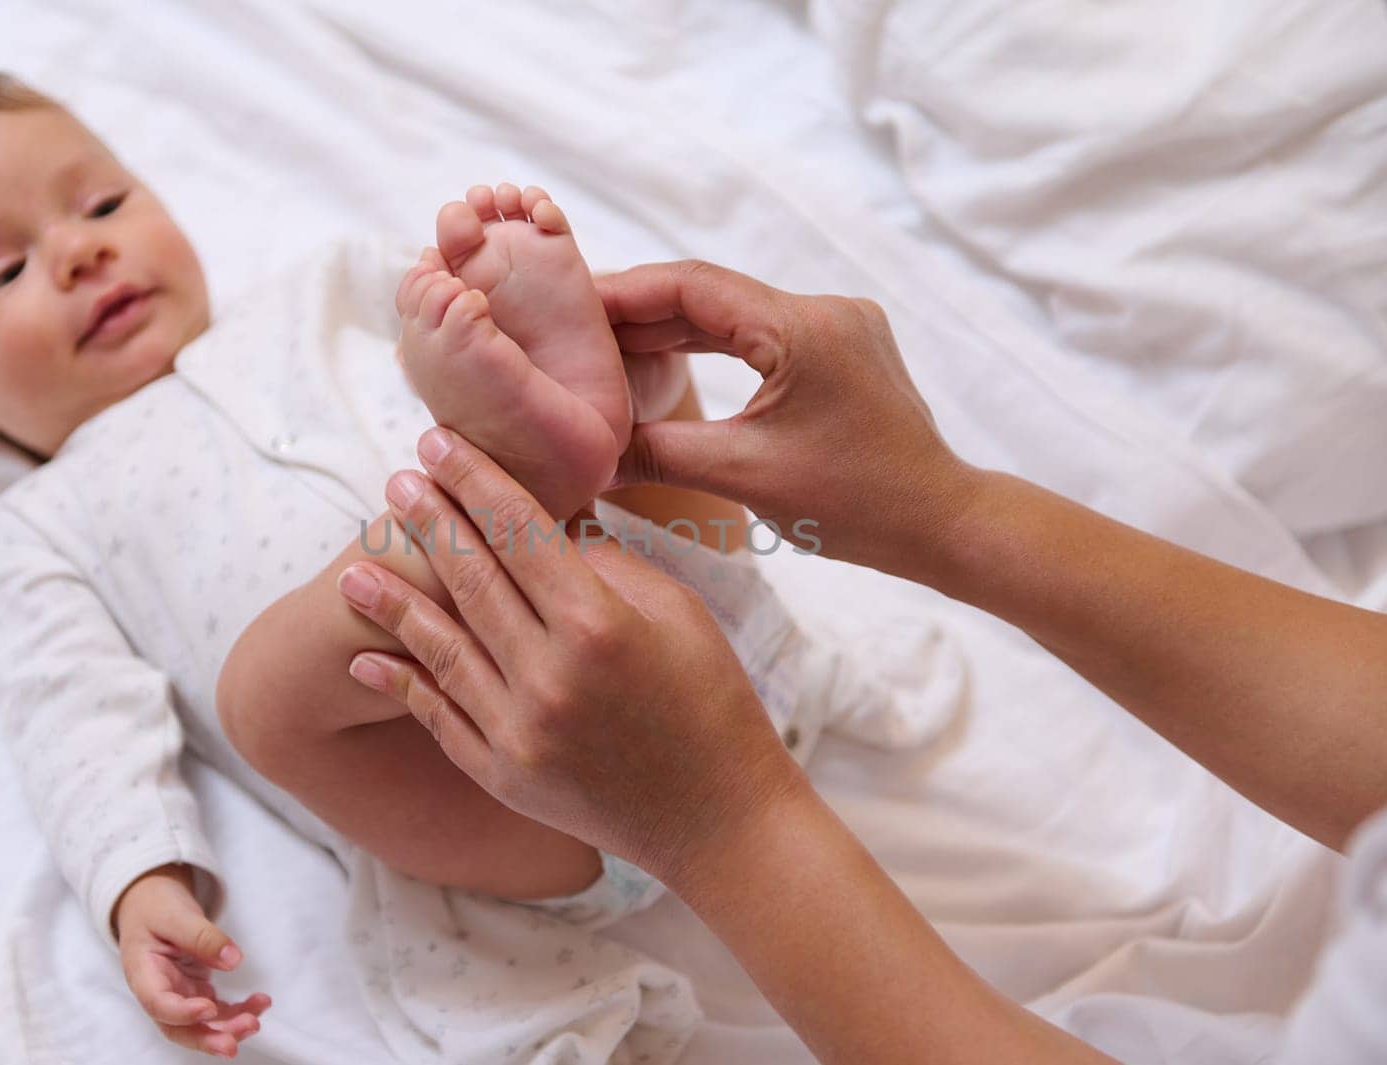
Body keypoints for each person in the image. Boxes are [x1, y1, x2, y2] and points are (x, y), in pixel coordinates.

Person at [0, 71, 915, 1060]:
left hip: (703, 664)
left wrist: (494, 305)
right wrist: (137, 880)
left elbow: (442, 305)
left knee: (620, 475)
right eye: (5, 270)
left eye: (103, 205)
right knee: (268, 697)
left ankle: (592, 414)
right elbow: (71, 721)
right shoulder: (44, 525)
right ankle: (515, 463)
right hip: (502, 801)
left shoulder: (325, 292)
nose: (80, 250)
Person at [336, 260, 1387, 1064]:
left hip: (545, 784)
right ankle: (607, 426)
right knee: (669, 557)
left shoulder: (318, 291)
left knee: (278, 701)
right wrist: (944, 508)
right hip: (656, 696)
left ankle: (528, 456)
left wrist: (723, 824)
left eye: (157, 193)